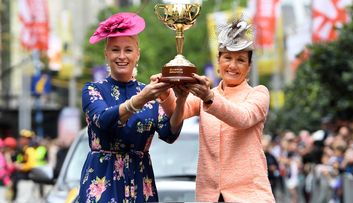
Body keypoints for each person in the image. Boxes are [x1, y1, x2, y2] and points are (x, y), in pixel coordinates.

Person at [157, 18, 275, 202]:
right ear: (218, 61)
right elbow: (175, 113)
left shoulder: (259, 94)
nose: (233, 65)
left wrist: (209, 98)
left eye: (241, 60)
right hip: (209, 196)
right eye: (227, 57)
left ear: (249, 67)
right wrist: (168, 91)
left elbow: (242, 118)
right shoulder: (206, 94)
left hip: (249, 196)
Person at [74, 12, 186, 203]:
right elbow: (103, 120)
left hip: (140, 181)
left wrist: (181, 100)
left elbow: (170, 134)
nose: (122, 56)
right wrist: (140, 99)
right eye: (115, 50)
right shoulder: (93, 89)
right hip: (102, 181)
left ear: (137, 54)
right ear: (106, 54)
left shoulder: (149, 91)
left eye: (128, 50)